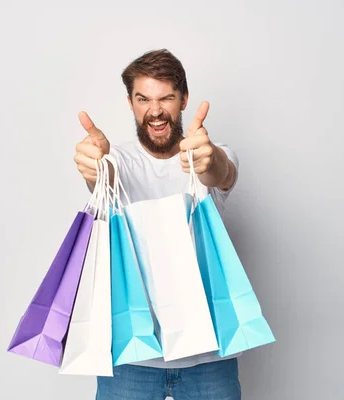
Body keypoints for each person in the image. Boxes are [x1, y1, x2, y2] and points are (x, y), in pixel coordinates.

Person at [73, 49, 241, 400]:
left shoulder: (207, 152)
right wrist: (97, 167)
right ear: (130, 103)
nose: (155, 110)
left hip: (209, 356)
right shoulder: (117, 159)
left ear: (184, 100)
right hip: (133, 355)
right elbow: (104, 178)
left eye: (166, 97)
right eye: (143, 98)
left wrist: (208, 158)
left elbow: (221, 172)